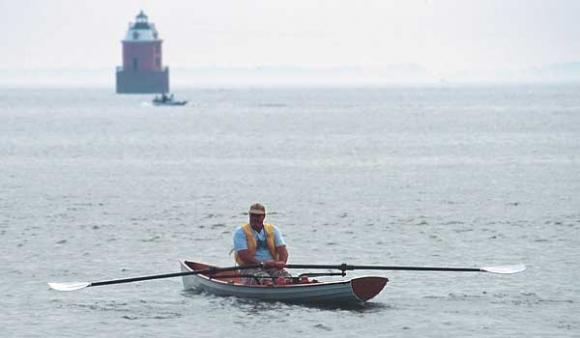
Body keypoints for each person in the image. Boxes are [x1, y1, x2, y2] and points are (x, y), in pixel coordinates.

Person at [233, 203, 291, 285]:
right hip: (250, 267)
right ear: (249, 215)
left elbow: (283, 250)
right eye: (253, 215)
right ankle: (268, 285)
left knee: (287, 279)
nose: (255, 218)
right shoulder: (240, 232)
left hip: (272, 266)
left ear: (264, 217)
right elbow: (244, 256)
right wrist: (262, 264)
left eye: (258, 216)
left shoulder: (273, 230)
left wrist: (282, 262)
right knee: (265, 280)